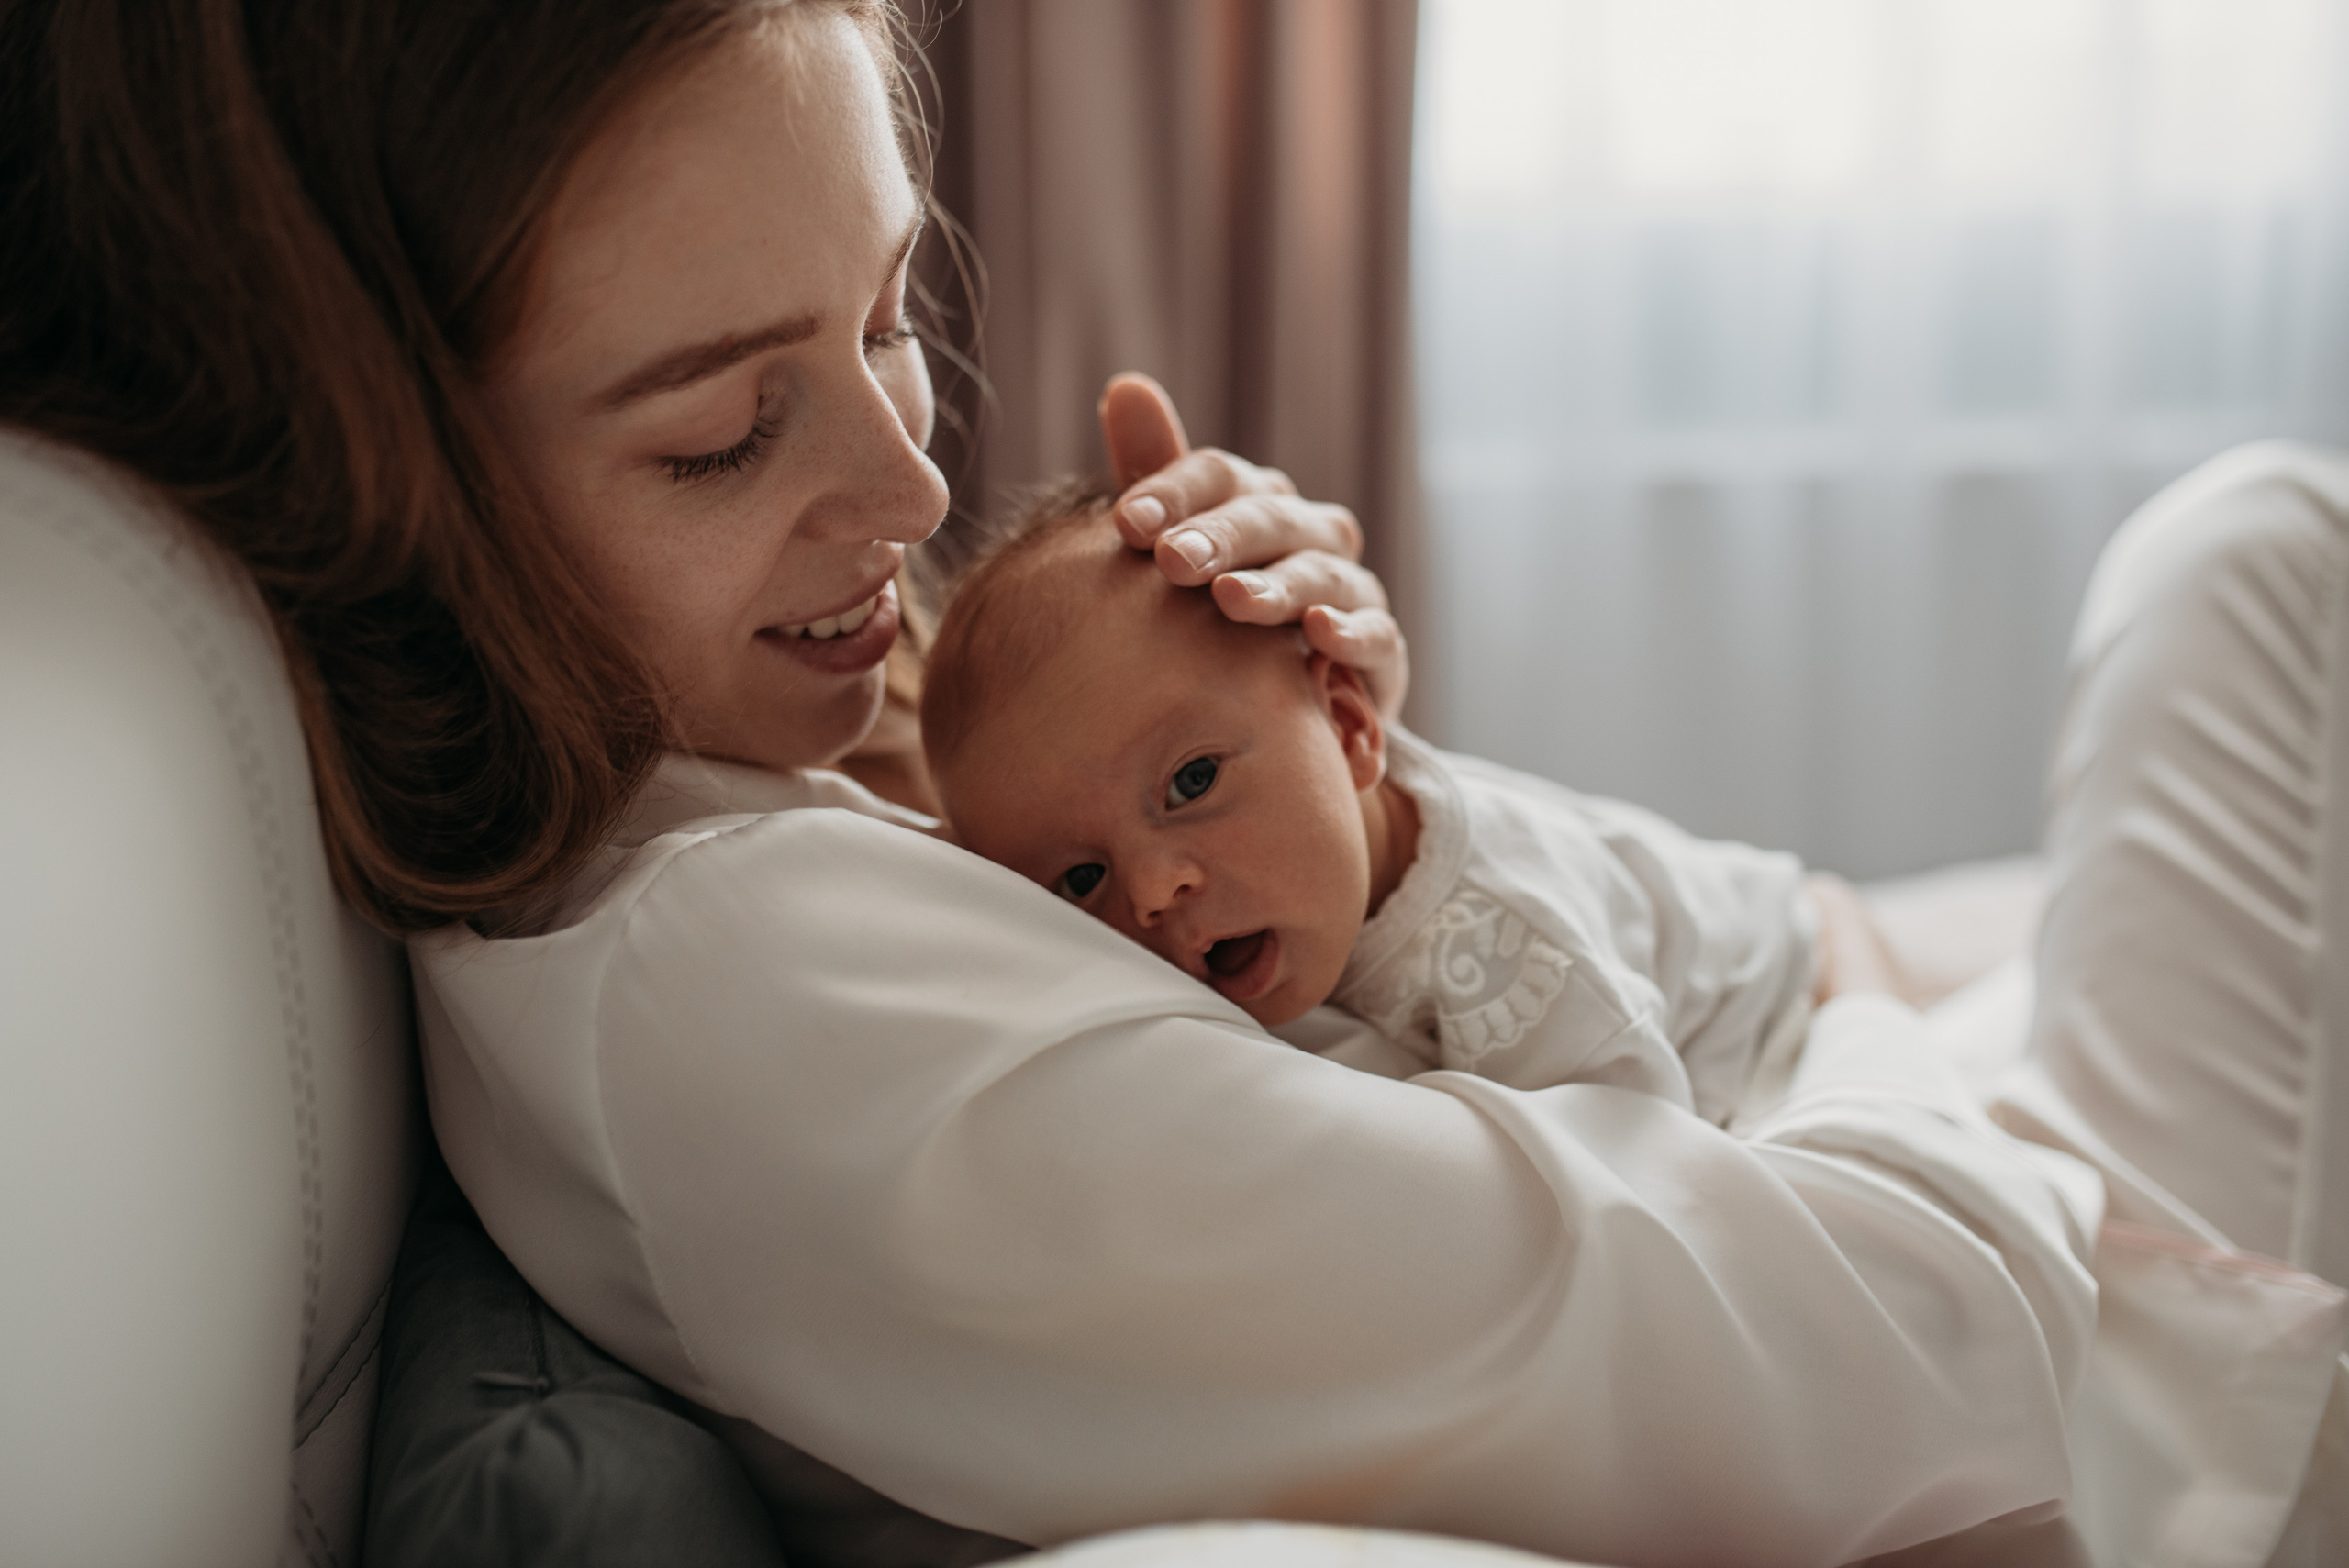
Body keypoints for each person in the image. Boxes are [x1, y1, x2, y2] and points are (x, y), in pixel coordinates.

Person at [3, 3, 2341, 1566]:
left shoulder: (723, 799)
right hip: (2151, 1417)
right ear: (381, 477)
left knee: (2232, 584)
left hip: (1966, 1230)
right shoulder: (752, 1004)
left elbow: (1445, 1060)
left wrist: (1362, 784)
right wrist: (1860, 1005)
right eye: (722, 430)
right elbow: (1898, 1353)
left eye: (888, 316)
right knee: (2260, 565)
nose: (913, 485)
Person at [921, 480, 1822, 1129]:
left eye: (1192, 781)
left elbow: (1644, 1177)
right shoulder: (1297, 878)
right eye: (1081, 879)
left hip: (1770, 987)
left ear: (1351, 725)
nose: (1152, 891)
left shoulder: (1512, 949)